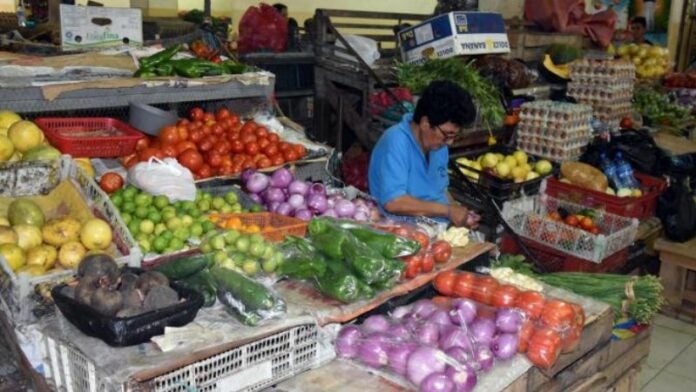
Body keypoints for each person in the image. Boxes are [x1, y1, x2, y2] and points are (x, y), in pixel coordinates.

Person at [368, 80, 480, 228]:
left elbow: (441, 190)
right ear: (425, 123)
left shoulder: (439, 145)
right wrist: (447, 211)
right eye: (447, 134)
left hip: (435, 228)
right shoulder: (395, 142)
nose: (450, 143)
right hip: (400, 229)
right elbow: (394, 201)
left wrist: (458, 212)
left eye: (454, 136)